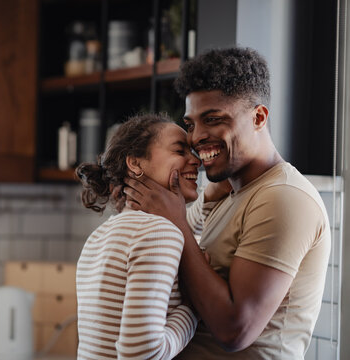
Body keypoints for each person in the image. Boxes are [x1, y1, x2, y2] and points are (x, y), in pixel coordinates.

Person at [124, 47, 331, 359]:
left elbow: (236, 330)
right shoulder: (228, 193)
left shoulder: (283, 198)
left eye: (213, 120)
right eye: (191, 123)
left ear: (258, 117)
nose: (196, 137)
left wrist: (177, 223)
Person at [75, 114, 202, 359]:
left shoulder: (99, 236)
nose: (196, 161)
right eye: (180, 151)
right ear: (135, 163)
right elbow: (142, 352)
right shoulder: (159, 233)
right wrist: (192, 308)